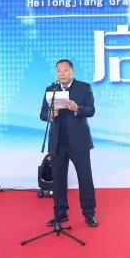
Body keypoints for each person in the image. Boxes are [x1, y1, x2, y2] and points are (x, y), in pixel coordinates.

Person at [40, 59, 99, 228]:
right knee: (58, 181)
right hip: (58, 142)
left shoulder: (84, 88)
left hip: (79, 142)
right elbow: (43, 114)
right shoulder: (50, 89)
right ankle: (60, 214)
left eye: (65, 70)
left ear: (72, 71)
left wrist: (77, 108)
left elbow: (91, 110)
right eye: (58, 71)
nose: (62, 73)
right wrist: (51, 114)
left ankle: (89, 213)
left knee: (85, 178)